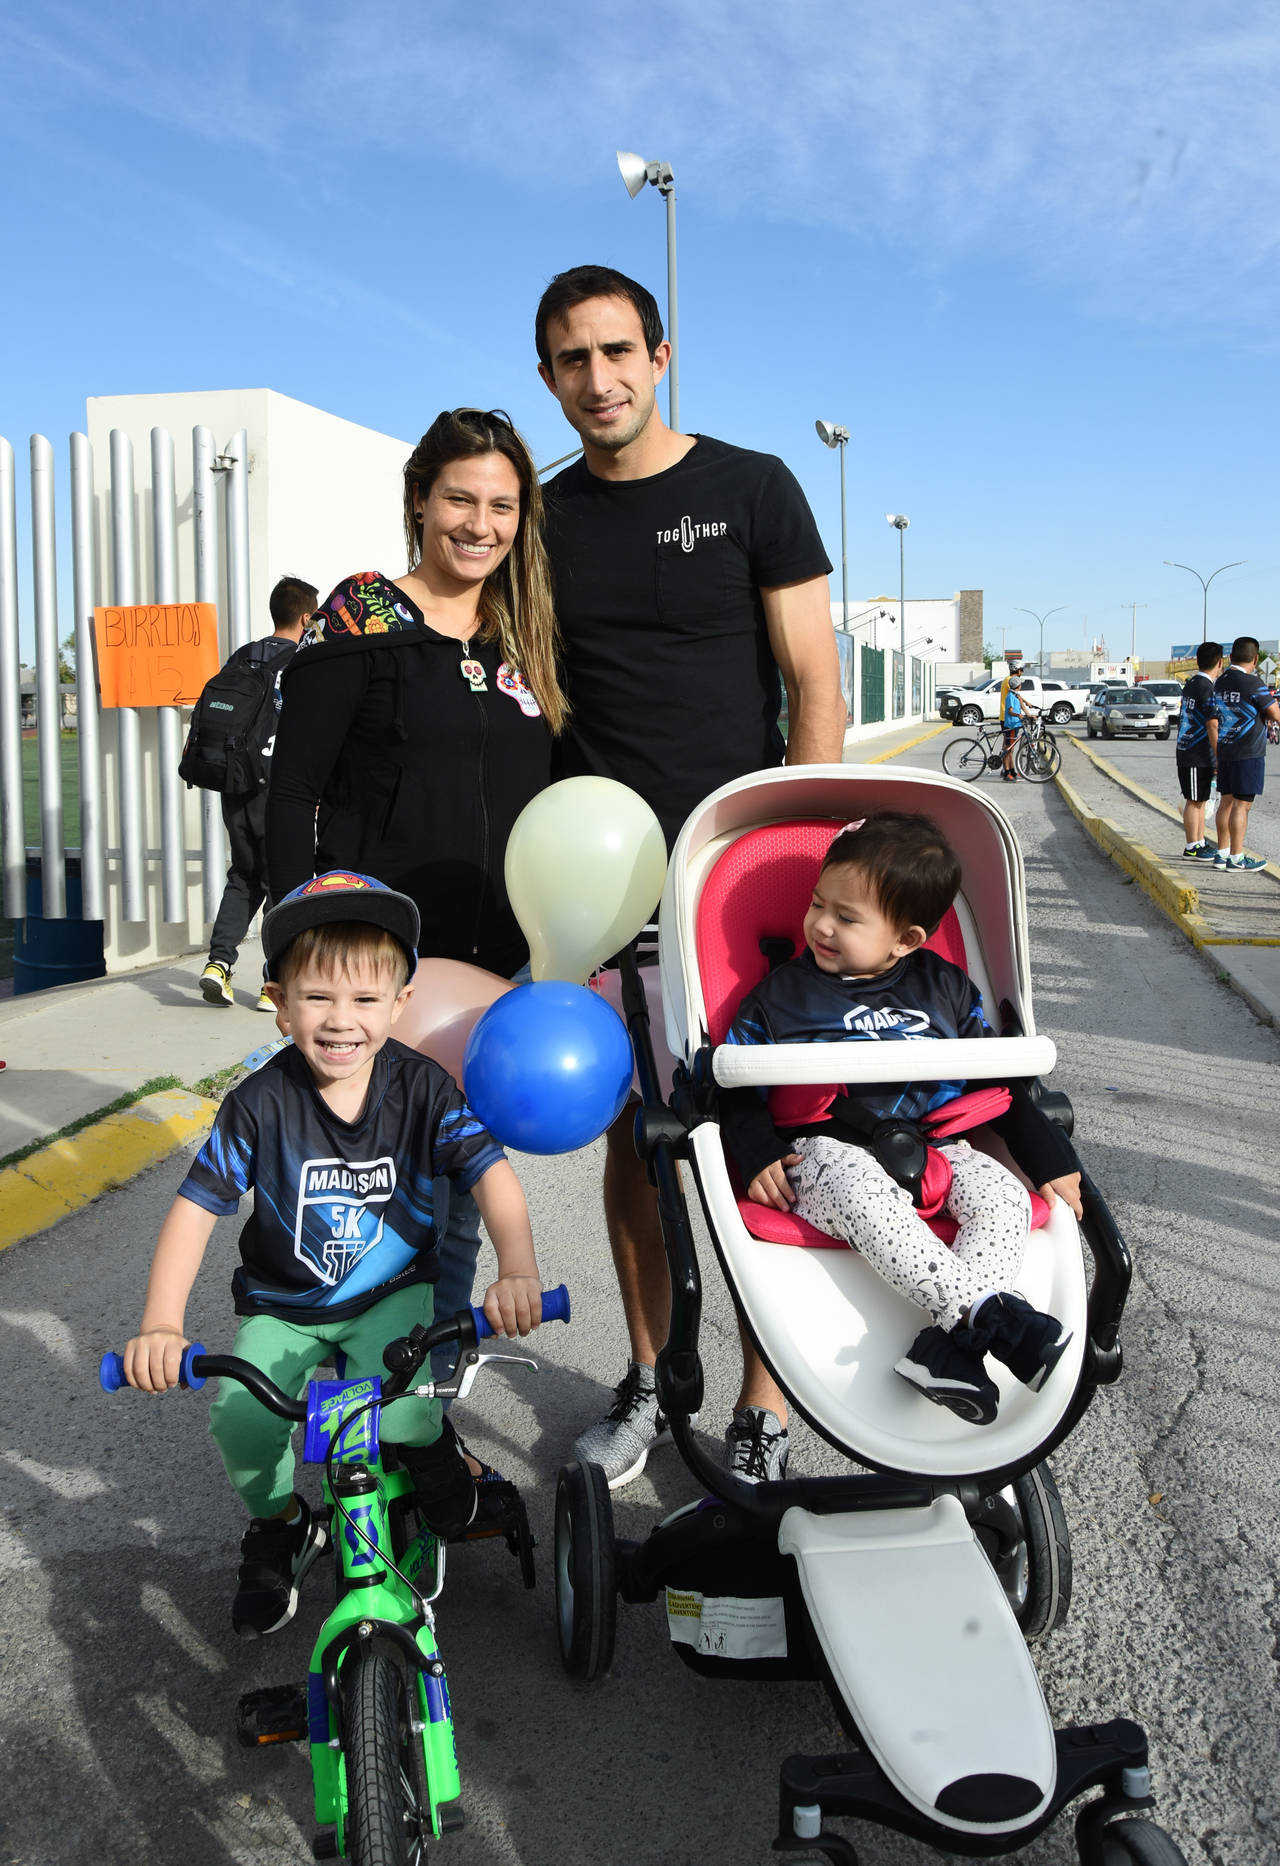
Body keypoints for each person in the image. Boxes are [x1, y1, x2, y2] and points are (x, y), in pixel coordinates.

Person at [535, 262, 846, 1486]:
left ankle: (763, 1407)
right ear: (549, 377)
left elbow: (812, 683)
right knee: (636, 1141)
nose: (598, 379)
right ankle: (651, 1380)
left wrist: (806, 854)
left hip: (739, 875)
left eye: (618, 352)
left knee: (774, 1131)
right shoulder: (546, 521)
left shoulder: (752, 487)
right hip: (606, 881)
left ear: (660, 357)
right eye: (572, 359)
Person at [122, 871, 546, 1636]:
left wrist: (518, 1268)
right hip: (284, 1303)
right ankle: (284, 1524)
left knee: (399, 1418)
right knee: (244, 1421)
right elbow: (195, 1210)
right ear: (279, 1004)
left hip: (390, 1297)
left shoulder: (423, 1090)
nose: (340, 1020)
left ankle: (433, 1454)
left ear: (399, 1005)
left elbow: (491, 1174)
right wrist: (161, 1322)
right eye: (317, 997)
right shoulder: (258, 1105)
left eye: (363, 999)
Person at [264, 409, 567, 1376]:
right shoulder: (362, 617)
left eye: (502, 506)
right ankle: (355, 1369)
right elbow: (294, 792)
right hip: (379, 970)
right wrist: (296, 948)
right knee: (374, 1184)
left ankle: (424, 1384)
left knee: (456, 1175)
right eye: (460, 500)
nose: (481, 524)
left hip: (493, 966)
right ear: (420, 502)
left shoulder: (523, 636)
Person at [719, 813, 1082, 1431]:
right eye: (816, 904)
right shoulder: (780, 996)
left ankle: (950, 1349)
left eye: (847, 917)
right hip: (826, 1155)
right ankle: (991, 1318)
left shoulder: (945, 989)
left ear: (907, 940)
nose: (821, 925)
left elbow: (999, 1079)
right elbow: (731, 1089)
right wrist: (754, 1150)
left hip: (938, 1142)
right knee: (860, 1186)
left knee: (1005, 1199)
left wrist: (1046, 1154)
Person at [200, 575, 317, 1011]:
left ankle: (218, 964)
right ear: (306, 617)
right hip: (280, 787)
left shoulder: (243, 657)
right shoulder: (304, 661)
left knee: (244, 875)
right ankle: (274, 983)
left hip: (237, 784)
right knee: (281, 881)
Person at [1211, 636, 1279, 874]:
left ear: (1231, 657)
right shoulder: (1253, 683)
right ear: (1255, 658)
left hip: (1225, 749)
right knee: (1242, 805)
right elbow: (1274, 713)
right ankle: (1237, 858)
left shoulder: (1220, 682)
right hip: (1248, 752)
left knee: (1226, 802)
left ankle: (1222, 853)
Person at [1175, 641, 1224, 861]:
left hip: (1192, 752)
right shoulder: (1207, 688)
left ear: (1198, 661)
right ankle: (1192, 845)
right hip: (1196, 753)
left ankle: (1201, 841)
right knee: (1195, 801)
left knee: (1201, 799)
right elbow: (1212, 725)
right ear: (1220, 662)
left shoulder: (1192, 683)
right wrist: (1219, 755)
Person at [1001, 673, 1036, 783]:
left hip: (1016, 725)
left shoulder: (1016, 695)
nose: (1021, 686)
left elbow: (1023, 706)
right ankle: (1007, 773)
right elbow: (1010, 711)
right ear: (1018, 686)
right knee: (1008, 750)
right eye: (1021, 684)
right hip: (1011, 725)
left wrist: (1030, 715)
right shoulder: (1011, 696)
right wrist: (1018, 715)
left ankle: (1012, 770)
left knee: (1011, 750)